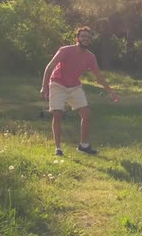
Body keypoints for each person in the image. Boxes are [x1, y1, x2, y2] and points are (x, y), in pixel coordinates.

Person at [40, 26, 120, 156]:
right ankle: (58, 148)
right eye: (83, 36)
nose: (85, 39)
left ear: (90, 40)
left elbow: (98, 76)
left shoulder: (90, 57)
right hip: (57, 84)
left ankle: (84, 146)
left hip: (75, 86)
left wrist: (110, 91)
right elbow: (49, 67)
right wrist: (44, 86)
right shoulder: (65, 50)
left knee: (86, 115)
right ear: (77, 38)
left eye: (88, 37)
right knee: (58, 114)